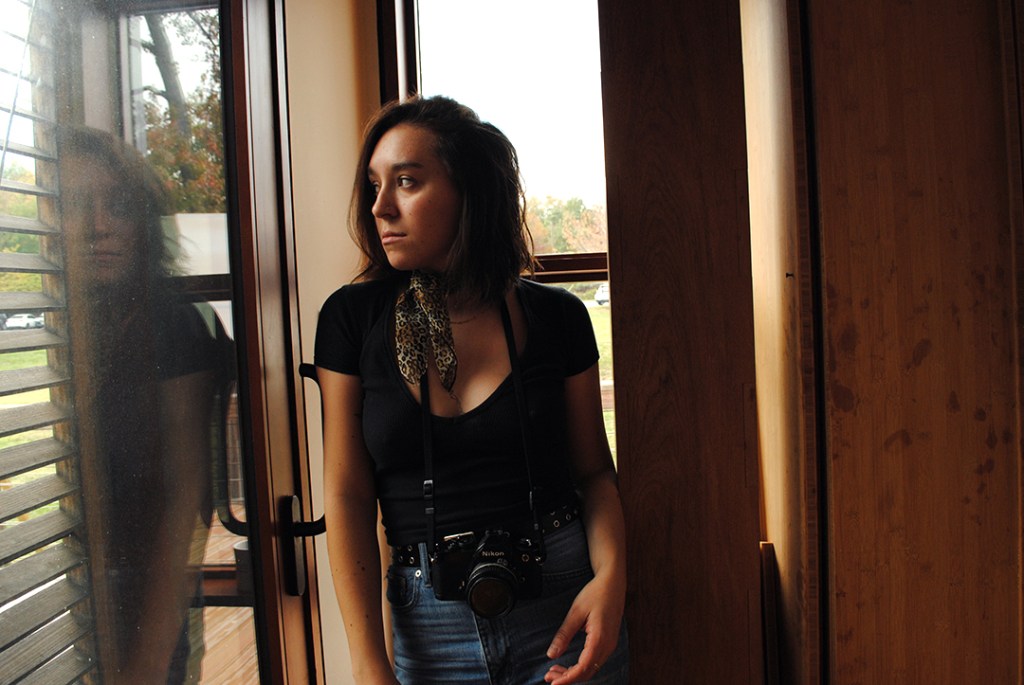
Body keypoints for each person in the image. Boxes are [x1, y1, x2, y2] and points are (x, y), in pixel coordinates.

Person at [315, 95, 629, 684]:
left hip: (563, 606)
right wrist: (367, 661)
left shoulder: (557, 317)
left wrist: (611, 580)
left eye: (406, 181)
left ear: (471, 192)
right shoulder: (350, 320)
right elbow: (348, 495)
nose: (380, 206)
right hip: (426, 625)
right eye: (374, 186)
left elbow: (594, 474)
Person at [59, 126, 224, 684]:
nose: (98, 225)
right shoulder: (60, 331)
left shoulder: (172, 325)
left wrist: (149, 659)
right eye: (76, 205)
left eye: (119, 206)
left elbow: (185, 499)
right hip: (64, 595)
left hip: (143, 597)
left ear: (145, 222)